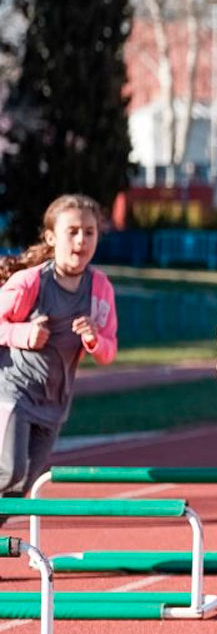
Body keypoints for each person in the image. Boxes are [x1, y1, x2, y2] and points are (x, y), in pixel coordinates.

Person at [0, 195, 120, 501]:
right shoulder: (30, 283)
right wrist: (24, 334)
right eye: (73, 231)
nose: (81, 240)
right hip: (12, 392)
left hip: (54, 404)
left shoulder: (100, 288)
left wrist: (93, 339)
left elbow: (109, 351)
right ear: (52, 237)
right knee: (9, 472)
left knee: (21, 486)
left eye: (90, 232)